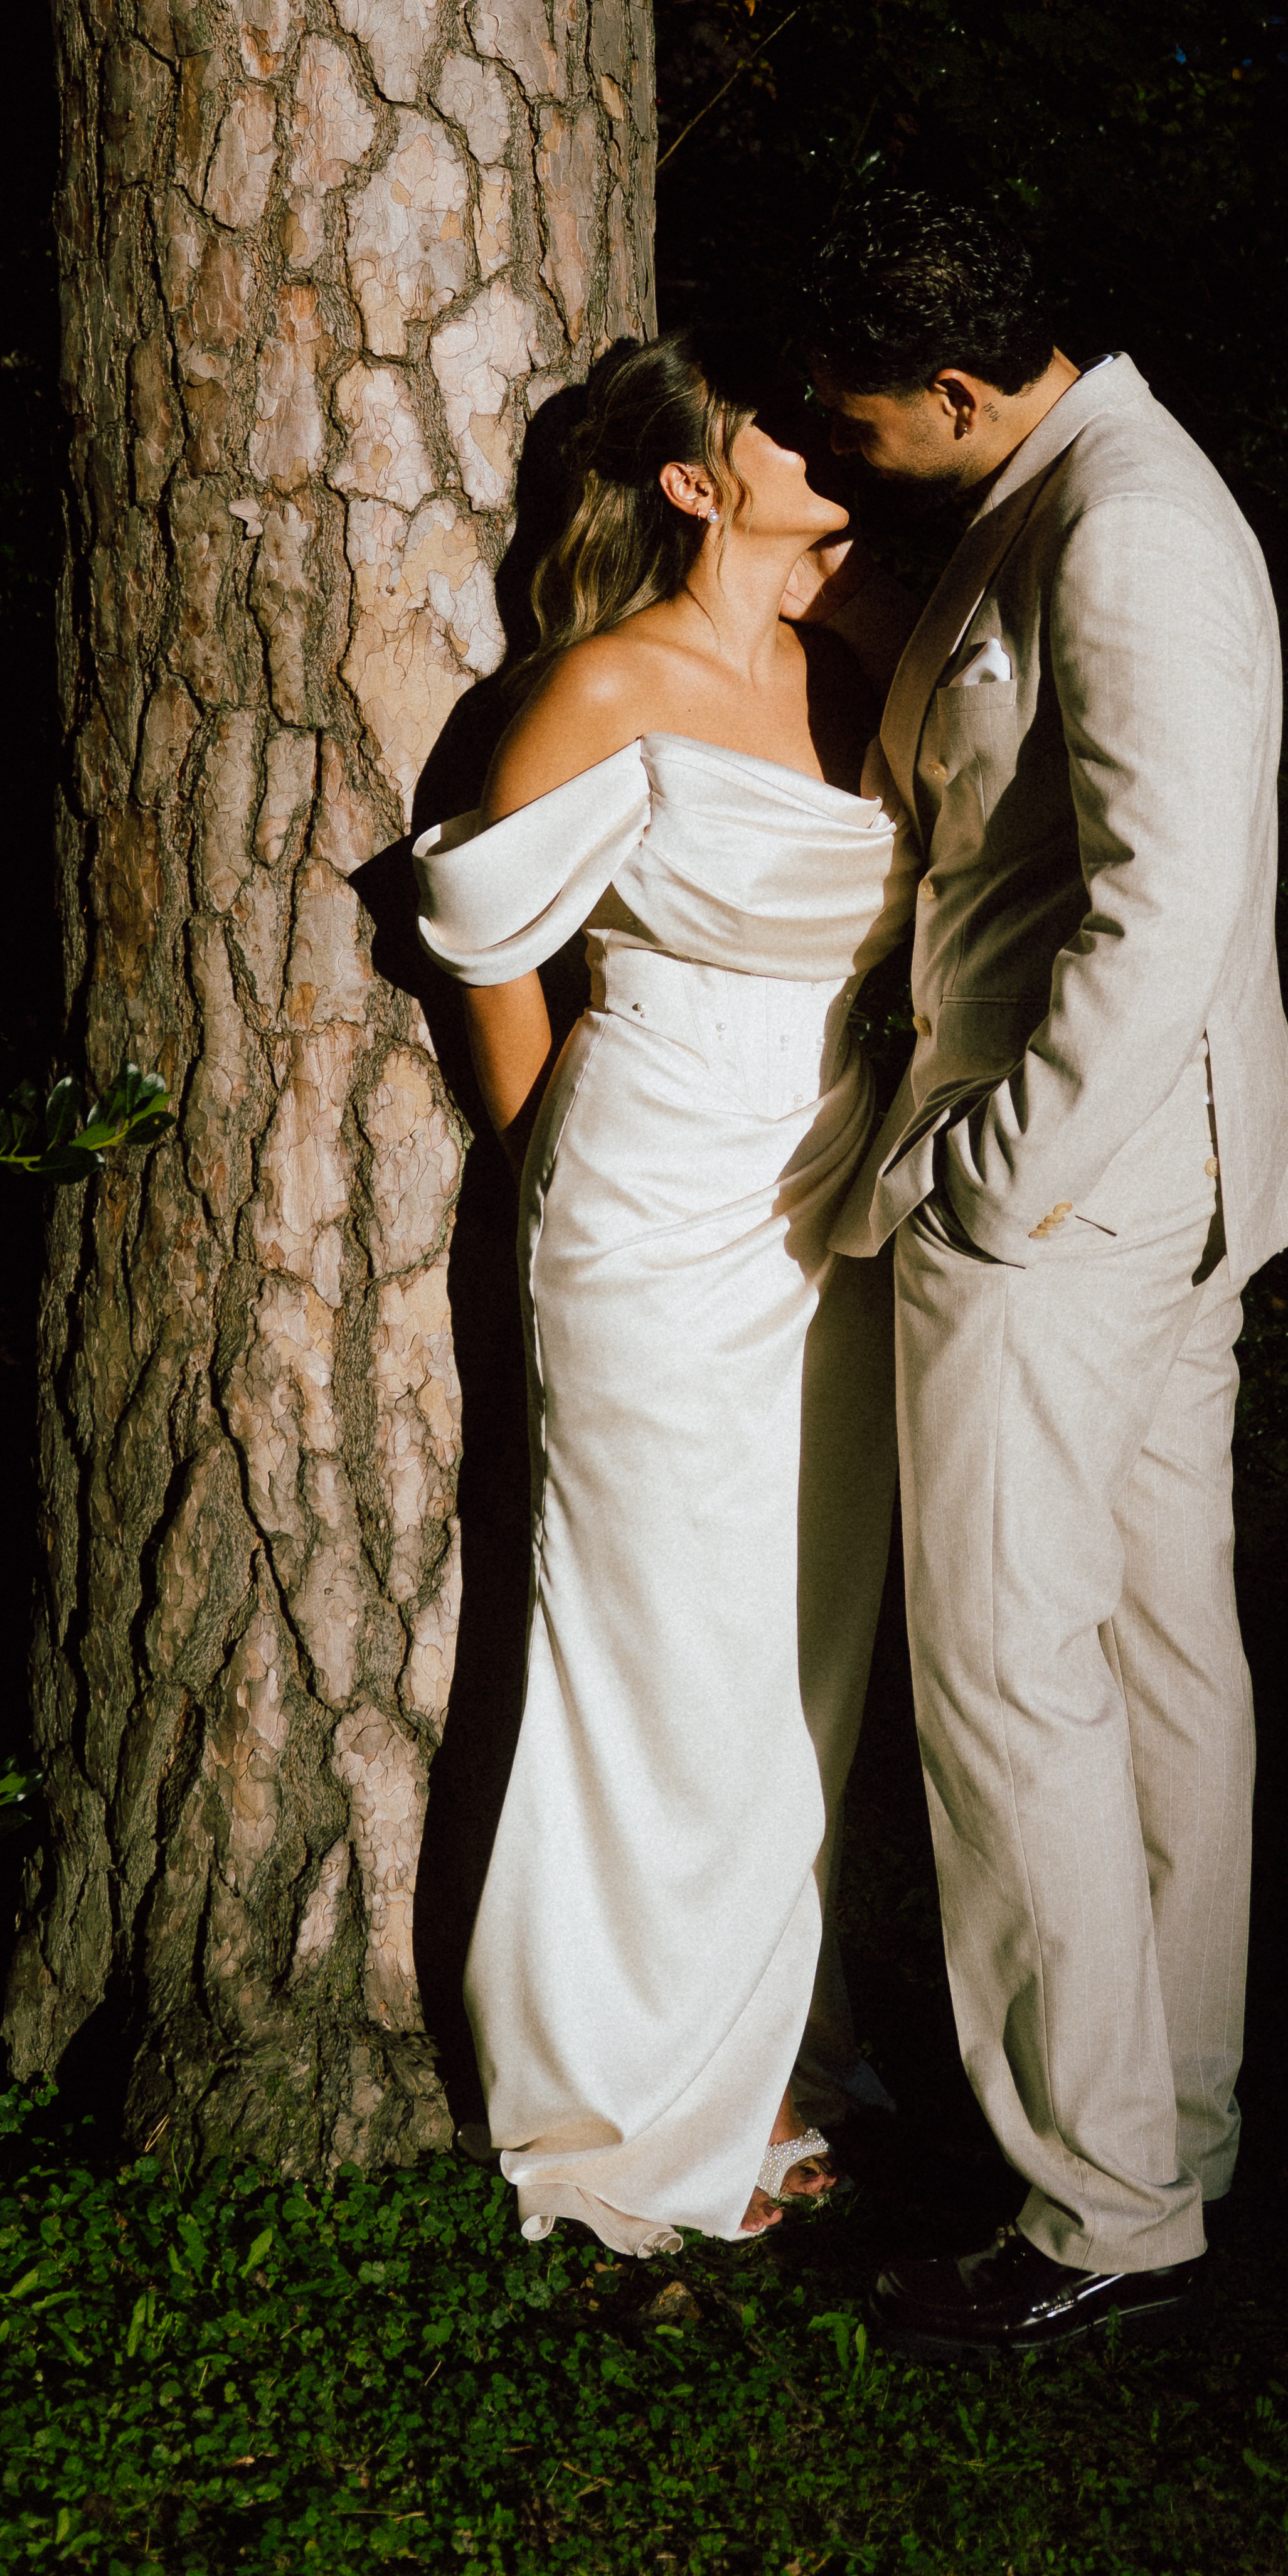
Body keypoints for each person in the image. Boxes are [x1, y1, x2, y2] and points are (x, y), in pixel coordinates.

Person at [798, 189, 1288, 2367]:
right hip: (1130, 1187)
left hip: (1074, 1195)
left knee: (1018, 1679)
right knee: (1154, 1655)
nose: (843, 469)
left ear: (960, 388)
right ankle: (1167, 2130)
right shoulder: (1056, 493)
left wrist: (998, 1183)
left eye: (865, 437)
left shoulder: (1130, 527)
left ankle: (1097, 2205)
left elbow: (1165, 894)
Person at [412, 329, 917, 2255]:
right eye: (772, 422)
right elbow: (482, 936)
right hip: (644, 1202)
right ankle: (622, 2096)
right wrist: (553, 1155)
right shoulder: (602, 685)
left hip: (821, 1206)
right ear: (695, 482)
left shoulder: (843, 671)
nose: (819, 433)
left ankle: (769, 2035)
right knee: (649, 1652)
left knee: (798, 1647)